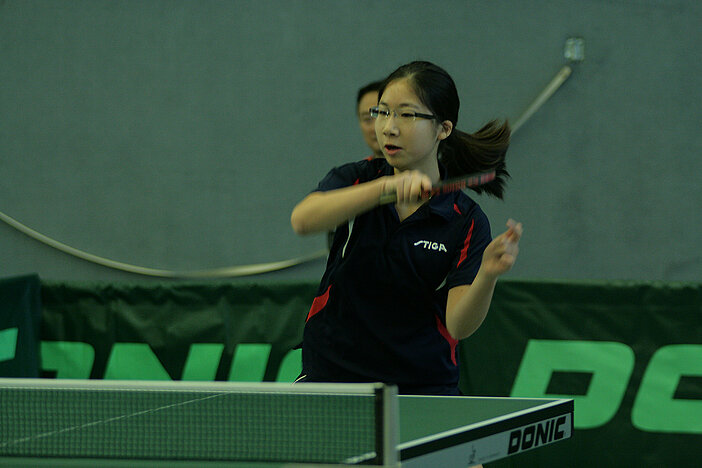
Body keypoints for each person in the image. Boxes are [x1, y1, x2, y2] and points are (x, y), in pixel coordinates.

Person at [290, 61, 522, 396]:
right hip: (333, 376)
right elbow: (303, 220)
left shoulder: (466, 220)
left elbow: (458, 325)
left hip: (421, 387)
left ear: (443, 128)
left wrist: (487, 275)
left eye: (407, 115)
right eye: (382, 112)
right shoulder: (357, 178)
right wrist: (383, 190)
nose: (388, 127)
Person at [356, 80, 384, 159]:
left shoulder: (415, 166)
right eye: (367, 119)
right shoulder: (360, 167)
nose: (374, 128)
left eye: (382, 116)